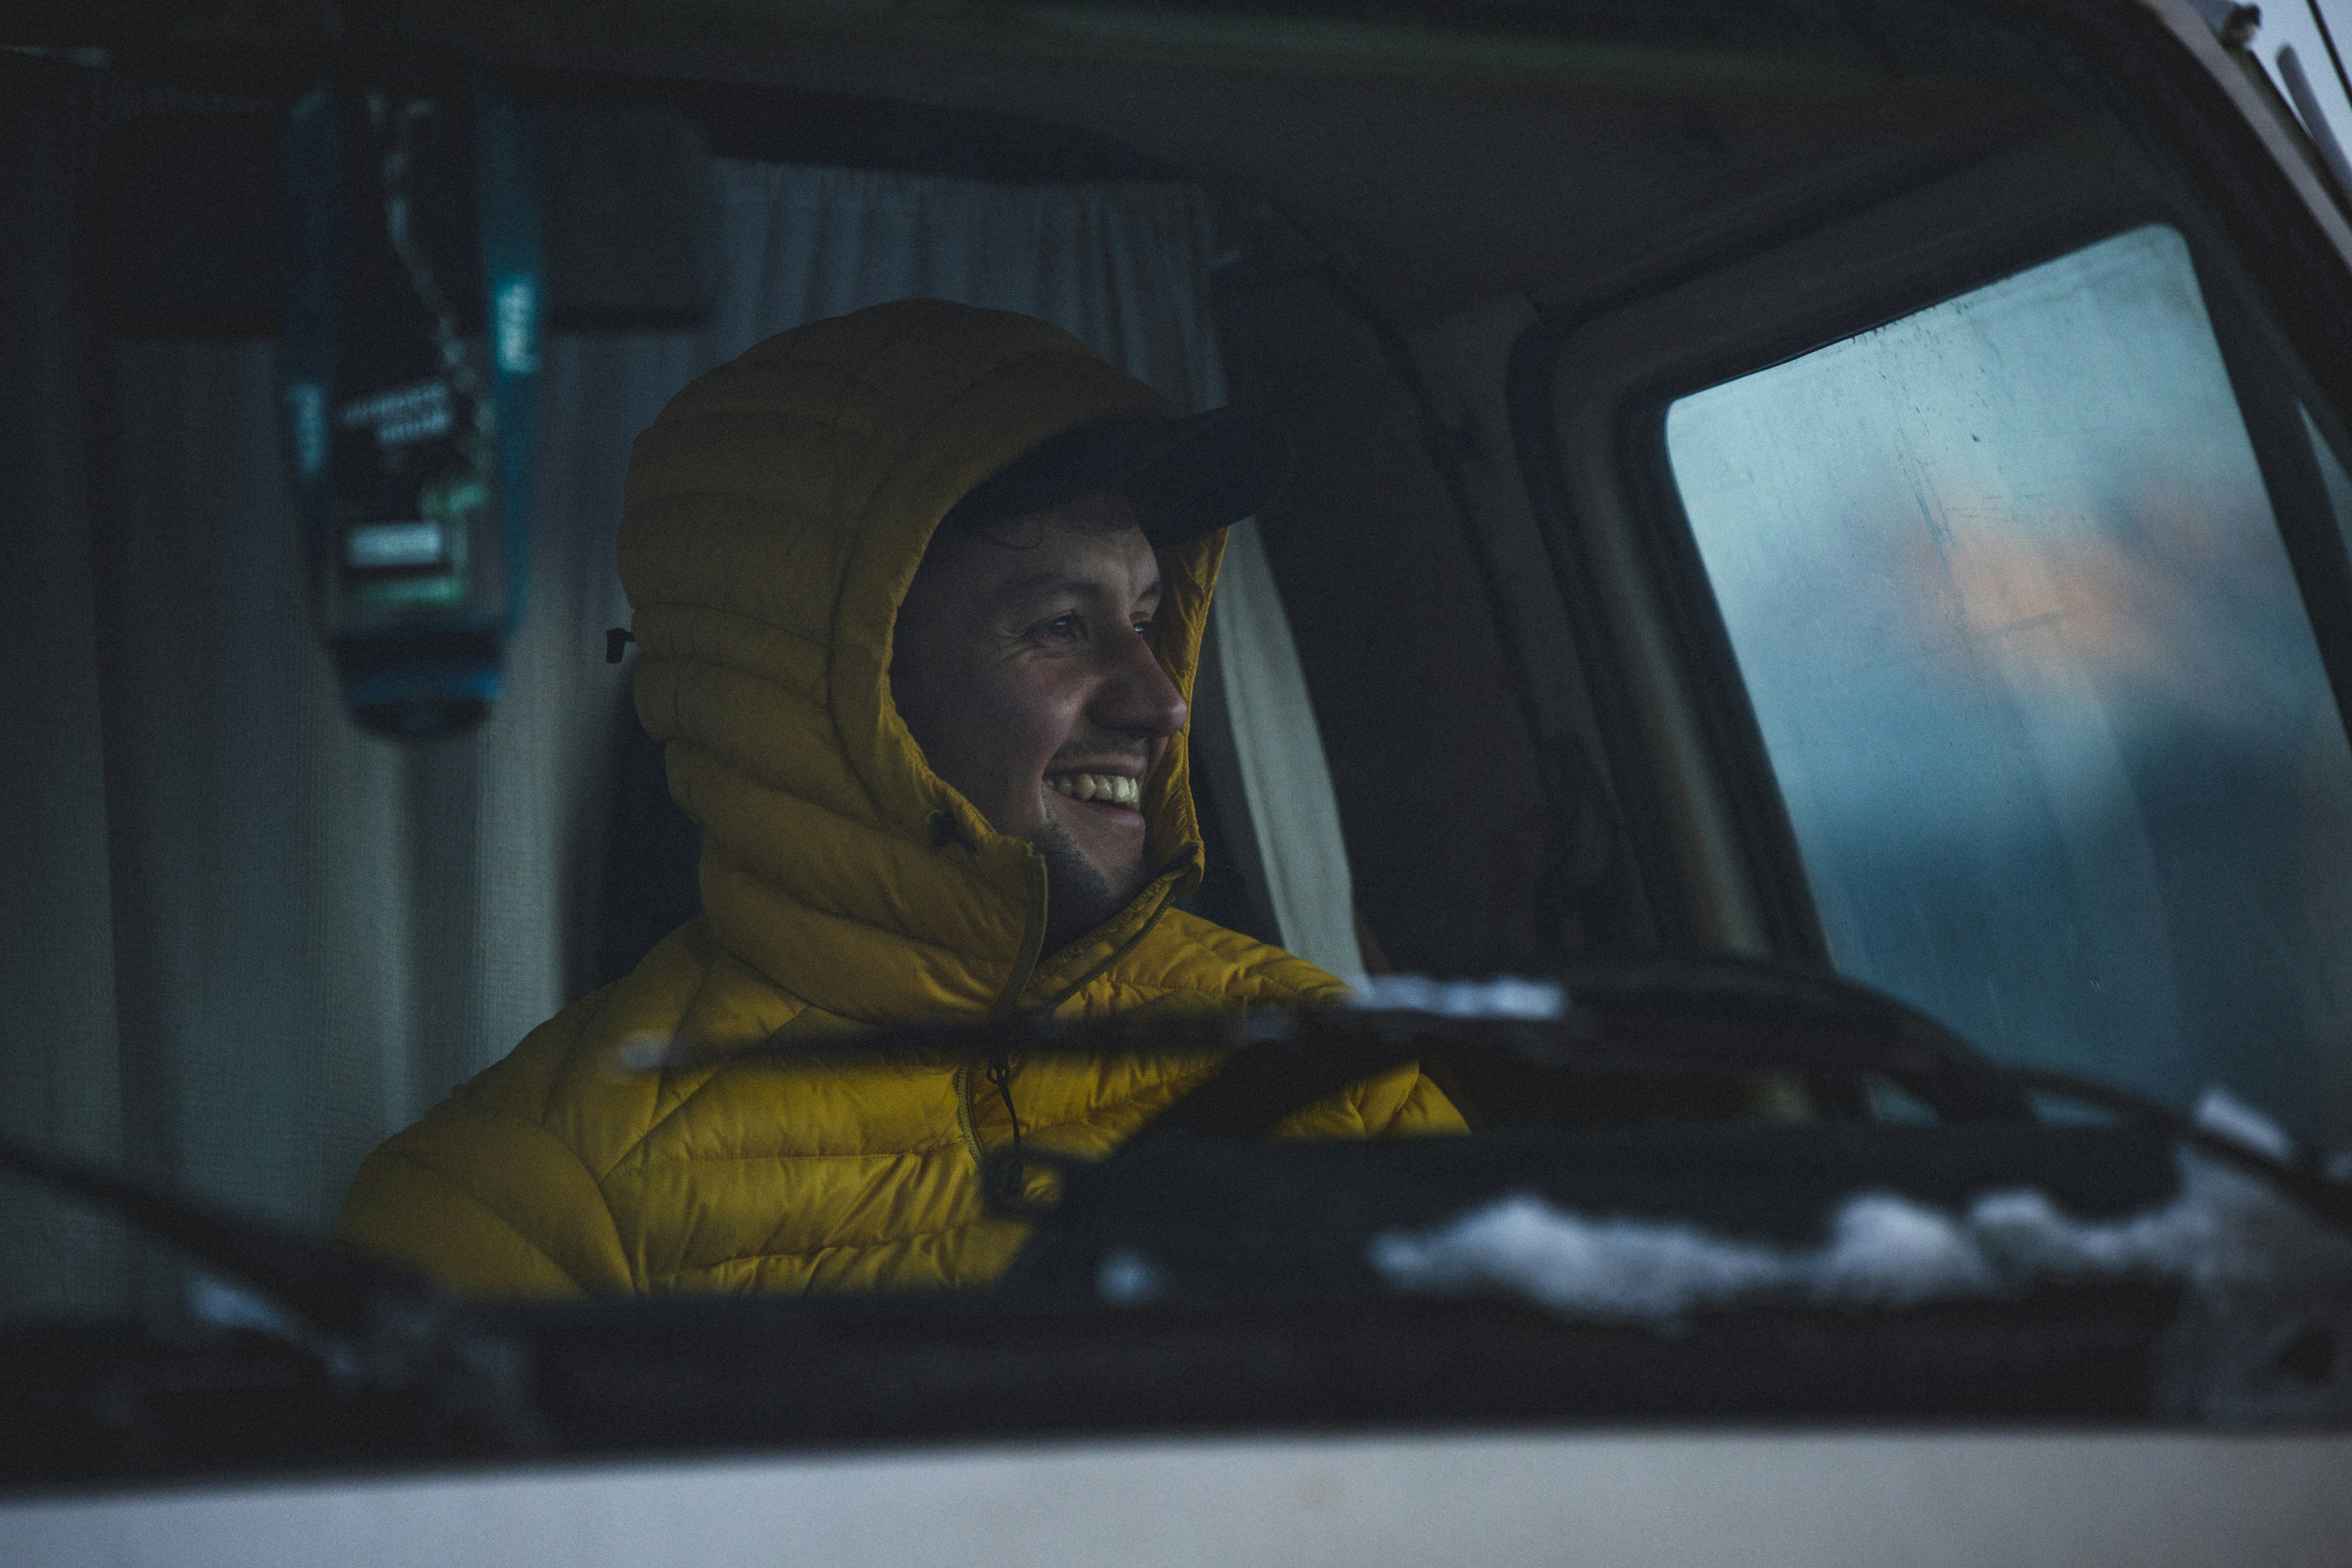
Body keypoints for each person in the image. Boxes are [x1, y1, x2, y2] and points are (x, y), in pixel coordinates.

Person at [338, 299, 1463, 1296]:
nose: (1163, 703)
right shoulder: (521, 1204)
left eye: (1148, 617)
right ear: (824, 694)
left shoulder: (1333, 1071)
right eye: (1060, 627)